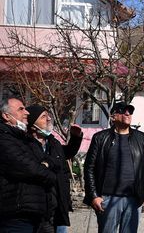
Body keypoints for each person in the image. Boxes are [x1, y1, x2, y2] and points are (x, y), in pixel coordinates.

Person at [83, 102, 144, 233]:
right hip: (108, 199)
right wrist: (94, 196)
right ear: (113, 116)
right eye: (123, 111)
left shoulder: (141, 138)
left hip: (133, 199)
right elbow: (89, 168)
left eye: (130, 111)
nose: (127, 114)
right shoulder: (100, 138)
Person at [0, 97, 58, 233]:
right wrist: (44, 167)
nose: (26, 112)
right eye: (21, 109)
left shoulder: (25, 140)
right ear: (6, 116)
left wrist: (44, 165)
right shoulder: (4, 139)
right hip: (15, 215)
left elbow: (54, 162)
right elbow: (31, 169)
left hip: (35, 214)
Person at [25, 104, 83, 233]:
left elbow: (65, 153)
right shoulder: (25, 144)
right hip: (38, 206)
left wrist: (75, 138)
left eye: (48, 115)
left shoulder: (52, 142)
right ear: (32, 123)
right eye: (43, 116)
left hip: (58, 205)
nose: (49, 119)